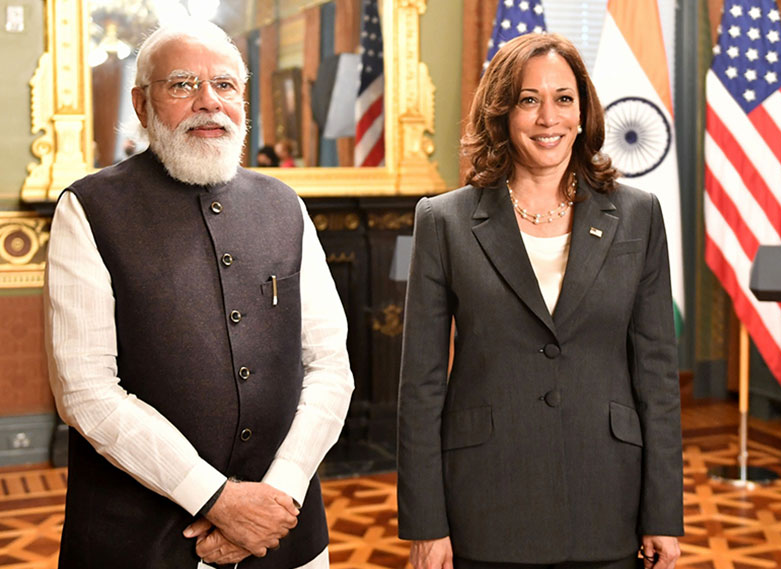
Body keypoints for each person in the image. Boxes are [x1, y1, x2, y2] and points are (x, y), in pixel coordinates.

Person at [44, 19, 354, 569]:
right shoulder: (88, 208)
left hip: (284, 531)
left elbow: (330, 367)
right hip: (139, 540)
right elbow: (85, 390)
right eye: (183, 84)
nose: (208, 101)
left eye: (225, 85)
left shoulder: (285, 206)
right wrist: (218, 500)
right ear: (142, 105)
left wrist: (278, 495)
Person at [397, 32, 683, 569]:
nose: (549, 117)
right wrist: (426, 524)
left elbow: (658, 376)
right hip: (485, 502)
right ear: (502, 113)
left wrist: (663, 511)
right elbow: (421, 387)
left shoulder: (639, 215)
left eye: (564, 98)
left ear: (583, 111)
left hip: (609, 498)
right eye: (529, 100)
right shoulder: (443, 221)